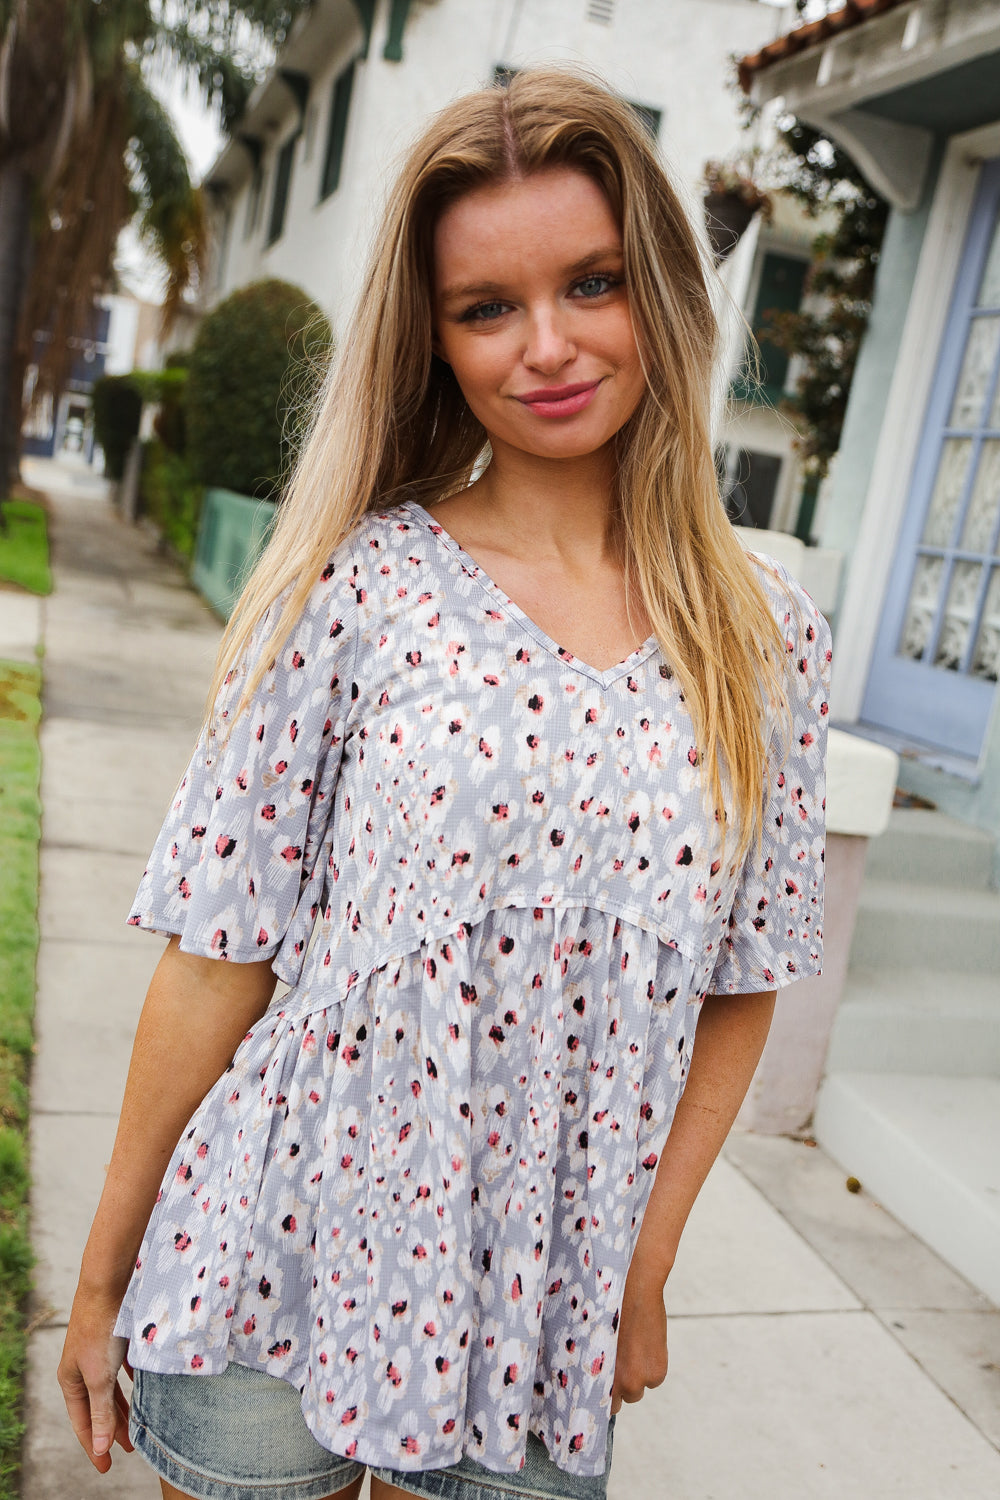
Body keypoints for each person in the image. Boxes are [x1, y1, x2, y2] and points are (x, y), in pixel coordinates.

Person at [58, 67, 830, 1500]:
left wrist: (641, 1271)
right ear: (437, 339)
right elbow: (219, 952)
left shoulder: (763, 638)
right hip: (268, 1255)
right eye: (488, 306)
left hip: (542, 1310)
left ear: (657, 290)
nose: (548, 345)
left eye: (591, 282)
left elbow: (747, 977)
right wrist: (101, 1276)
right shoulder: (357, 588)